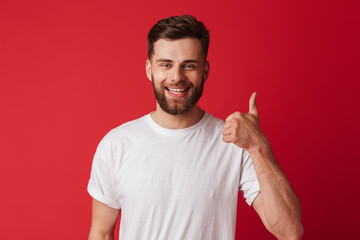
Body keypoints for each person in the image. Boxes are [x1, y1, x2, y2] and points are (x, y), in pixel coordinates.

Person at [87, 14, 303, 240]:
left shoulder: (233, 142)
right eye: (166, 65)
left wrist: (259, 146)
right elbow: (101, 233)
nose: (176, 77)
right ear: (149, 69)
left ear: (205, 71)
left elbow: (289, 231)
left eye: (188, 65)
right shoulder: (117, 144)